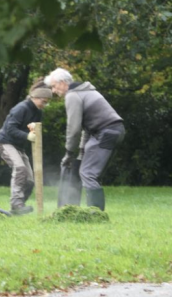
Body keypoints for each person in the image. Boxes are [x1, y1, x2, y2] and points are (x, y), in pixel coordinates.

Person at [44, 68, 125, 211]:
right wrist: (80, 154)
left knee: (88, 173)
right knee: (90, 173)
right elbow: (87, 128)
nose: (53, 91)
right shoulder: (85, 91)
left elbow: (73, 128)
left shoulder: (73, 95)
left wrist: (69, 153)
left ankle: (96, 214)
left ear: (62, 83)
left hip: (105, 133)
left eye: (54, 86)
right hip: (114, 131)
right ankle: (91, 211)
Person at [0, 81, 53, 215]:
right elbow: (10, 129)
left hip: (19, 147)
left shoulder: (37, 112)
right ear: (35, 97)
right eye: (44, 101)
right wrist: (27, 136)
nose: (45, 105)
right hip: (5, 143)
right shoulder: (21, 108)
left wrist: (33, 130)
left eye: (47, 102)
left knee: (30, 181)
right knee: (20, 168)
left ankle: (19, 208)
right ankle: (16, 204)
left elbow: (35, 128)